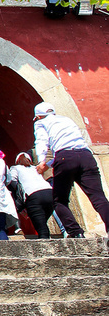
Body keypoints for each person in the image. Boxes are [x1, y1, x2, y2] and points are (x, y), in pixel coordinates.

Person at [34, 102, 109, 239]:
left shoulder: (41, 122)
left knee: (59, 200)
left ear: (38, 116)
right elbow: (72, 147)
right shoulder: (67, 119)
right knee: (98, 197)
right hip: (86, 156)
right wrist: (50, 164)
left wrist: (41, 161)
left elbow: (42, 141)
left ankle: (75, 232)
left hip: (65, 158)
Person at [9, 152, 54, 239]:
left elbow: (12, 181)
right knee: (43, 221)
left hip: (33, 196)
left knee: (41, 227)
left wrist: (18, 195)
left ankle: (45, 245)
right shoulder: (35, 168)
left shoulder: (15, 168)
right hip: (50, 193)